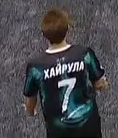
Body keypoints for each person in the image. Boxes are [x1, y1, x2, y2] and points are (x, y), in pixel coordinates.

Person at [23, 8, 108, 138]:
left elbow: (30, 101)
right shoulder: (84, 54)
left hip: (58, 130)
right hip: (88, 125)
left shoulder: (36, 67)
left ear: (44, 34)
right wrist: (103, 84)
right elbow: (100, 83)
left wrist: (31, 110)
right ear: (68, 28)